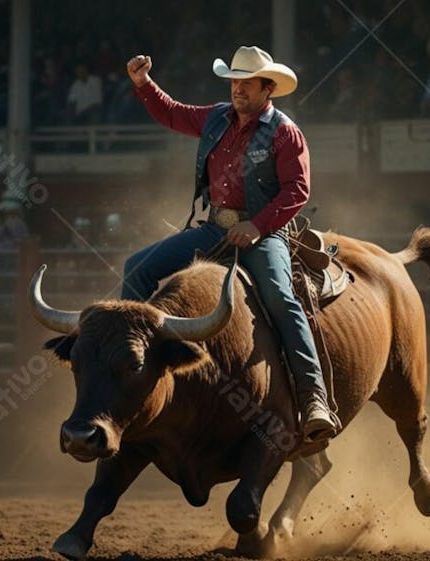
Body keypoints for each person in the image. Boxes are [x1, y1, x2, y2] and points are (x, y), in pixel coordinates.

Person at [123, 46, 338, 442]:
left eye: (247, 82)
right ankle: (133, 368)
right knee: (136, 269)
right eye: (235, 81)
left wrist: (257, 227)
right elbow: (172, 112)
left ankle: (314, 399)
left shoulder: (284, 132)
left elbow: (297, 191)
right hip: (213, 228)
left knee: (280, 298)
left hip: (264, 234)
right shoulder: (216, 117)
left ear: (267, 88)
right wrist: (143, 84)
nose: (238, 89)